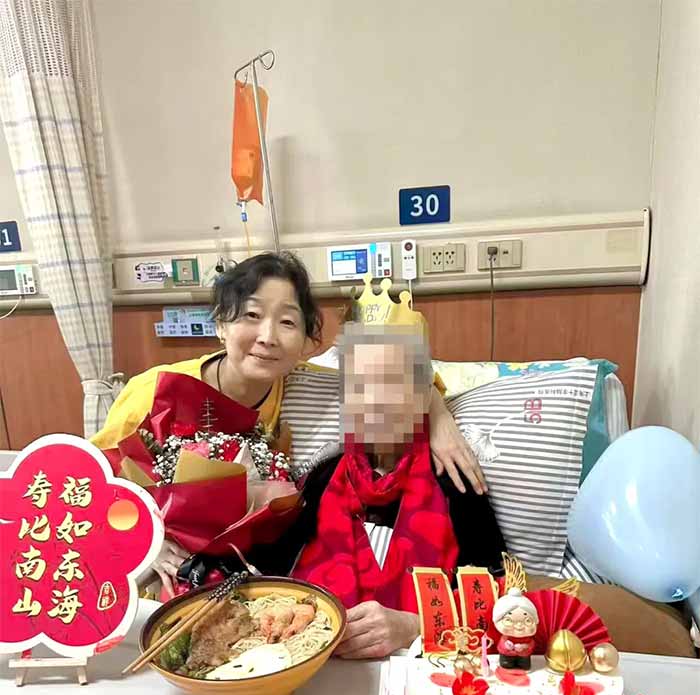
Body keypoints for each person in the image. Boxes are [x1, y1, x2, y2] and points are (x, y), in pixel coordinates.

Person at [92, 253, 487, 596]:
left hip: (244, 572)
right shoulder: (156, 392)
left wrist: (439, 417)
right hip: (154, 564)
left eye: (287, 322)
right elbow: (88, 485)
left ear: (306, 340)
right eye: (251, 315)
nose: (267, 337)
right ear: (221, 324)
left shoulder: (305, 381)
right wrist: (144, 541)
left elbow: (393, 378)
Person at [251, 323, 506, 659]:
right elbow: (271, 575)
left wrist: (415, 626)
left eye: (392, 385)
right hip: (315, 662)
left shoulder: (455, 481)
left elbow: (500, 600)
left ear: (423, 398)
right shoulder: (322, 478)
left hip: (422, 667)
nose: (373, 402)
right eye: (359, 387)